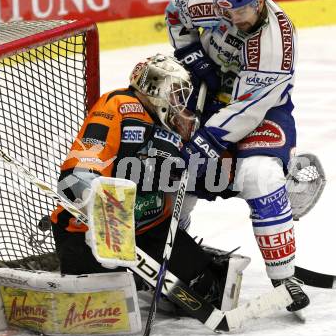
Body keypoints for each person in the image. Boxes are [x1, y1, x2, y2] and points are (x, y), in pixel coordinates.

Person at [165, 0, 310, 314]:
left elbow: (248, 109)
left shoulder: (276, 41)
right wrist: (192, 56)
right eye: (225, 11)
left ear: (260, 0)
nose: (232, 18)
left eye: (241, 11)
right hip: (206, 92)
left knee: (260, 176)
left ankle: (284, 278)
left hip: (260, 110)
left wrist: (207, 140)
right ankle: (169, 254)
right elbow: (175, 13)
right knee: (169, 173)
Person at [50, 53, 239, 311]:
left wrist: (222, 173)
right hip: (88, 232)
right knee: (104, 306)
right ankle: (131, 277)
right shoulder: (116, 106)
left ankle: (143, 279)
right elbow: (75, 176)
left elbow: (215, 176)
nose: (180, 102)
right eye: (175, 93)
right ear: (155, 87)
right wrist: (97, 213)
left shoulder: (177, 123)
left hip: (150, 228)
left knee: (206, 292)